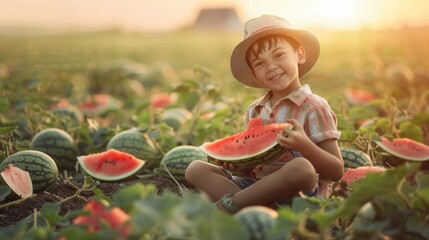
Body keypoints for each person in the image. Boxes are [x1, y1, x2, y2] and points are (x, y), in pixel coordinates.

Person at [185, 14, 343, 213]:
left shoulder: (314, 107)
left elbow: (336, 170)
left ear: (300, 55)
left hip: (300, 194)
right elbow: (252, 164)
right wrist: (237, 165)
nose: (271, 67)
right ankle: (254, 206)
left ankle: (234, 205)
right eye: (259, 63)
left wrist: (304, 145)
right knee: (195, 169)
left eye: (279, 55)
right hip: (257, 187)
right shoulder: (255, 109)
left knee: (301, 167)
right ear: (254, 75)